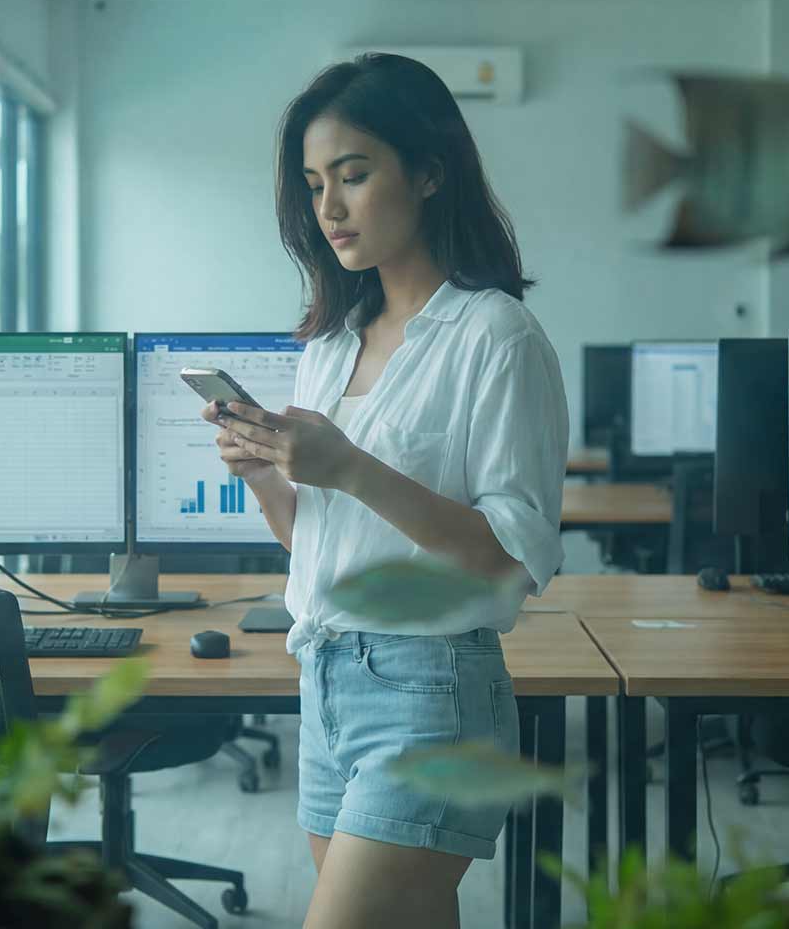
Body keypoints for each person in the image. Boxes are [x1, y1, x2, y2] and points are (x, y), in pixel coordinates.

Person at [200, 53, 568, 929]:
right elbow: (323, 542)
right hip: (326, 679)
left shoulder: (496, 337)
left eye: (354, 175)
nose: (328, 208)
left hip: (429, 691)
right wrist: (268, 475)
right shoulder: (333, 342)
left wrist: (351, 468)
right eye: (314, 185)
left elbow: (512, 561)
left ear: (430, 173)